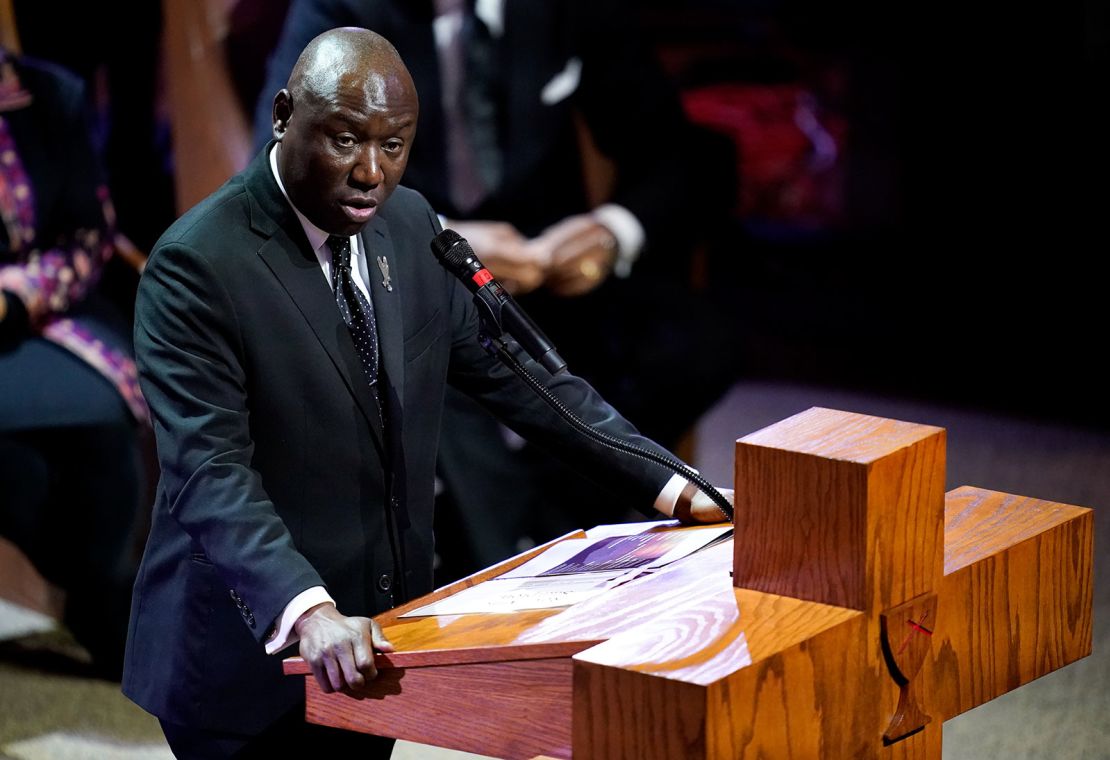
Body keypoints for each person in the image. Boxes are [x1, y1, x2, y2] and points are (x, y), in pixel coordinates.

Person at [123, 28, 730, 757]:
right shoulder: (197, 264)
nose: (371, 173)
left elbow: (524, 378)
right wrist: (308, 611)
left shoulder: (410, 226)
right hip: (248, 648)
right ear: (285, 116)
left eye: (395, 144)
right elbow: (210, 473)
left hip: (380, 640)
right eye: (346, 141)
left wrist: (674, 487)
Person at [249, 0, 740, 582]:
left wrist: (611, 233)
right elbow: (288, 167)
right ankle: (496, 571)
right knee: (440, 394)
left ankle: (574, 535)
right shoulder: (342, 11)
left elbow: (672, 151)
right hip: (410, 280)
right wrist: (440, 234)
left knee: (693, 346)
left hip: (552, 274)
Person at [0, 45, 147, 681]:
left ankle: (110, 609)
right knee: (19, 468)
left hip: (38, 314)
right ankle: (90, 597)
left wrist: (16, 295)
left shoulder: (50, 91)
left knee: (105, 428)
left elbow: (89, 232)